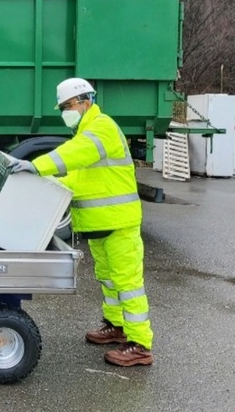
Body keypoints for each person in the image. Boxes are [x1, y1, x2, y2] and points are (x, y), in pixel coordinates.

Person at [8, 77, 153, 367]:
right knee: (110, 279)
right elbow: (80, 176)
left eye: (67, 106)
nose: (65, 112)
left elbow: (74, 155)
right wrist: (48, 183)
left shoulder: (102, 128)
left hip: (118, 222)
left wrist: (37, 166)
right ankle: (117, 327)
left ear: (85, 101)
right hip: (101, 223)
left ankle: (140, 344)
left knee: (128, 282)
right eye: (62, 108)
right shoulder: (86, 129)